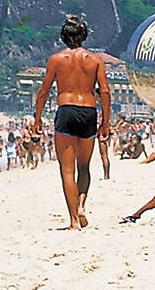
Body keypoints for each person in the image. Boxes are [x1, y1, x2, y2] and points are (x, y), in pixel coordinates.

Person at [34, 15, 111, 230]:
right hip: (89, 111)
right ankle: (81, 205)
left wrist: (37, 118)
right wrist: (106, 121)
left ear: (63, 36)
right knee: (84, 166)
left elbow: (43, 92)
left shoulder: (56, 60)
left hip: (66, 110)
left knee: (67, 170)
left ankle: (74, 221)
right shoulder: (95, 60)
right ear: (84, 35)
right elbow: (104, 91)